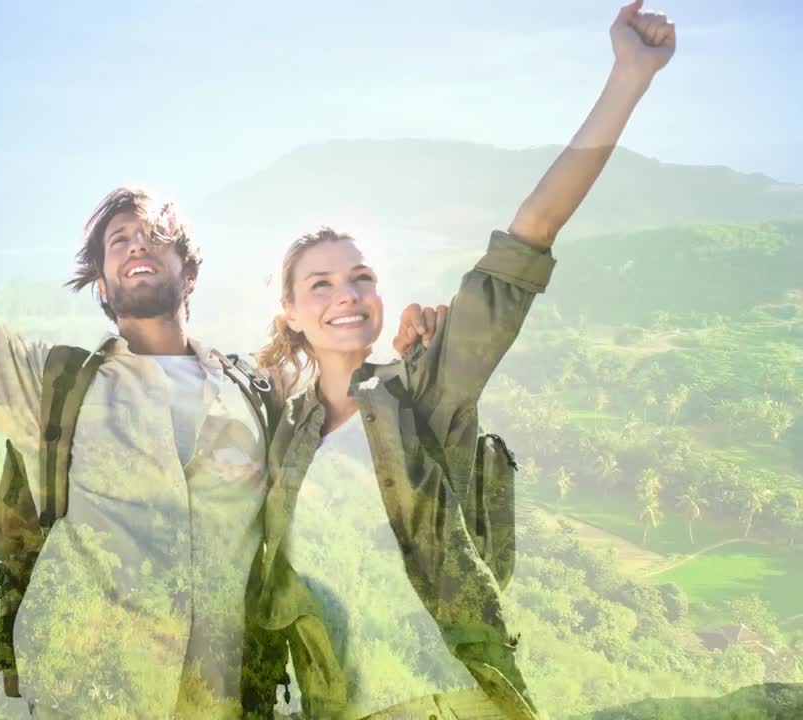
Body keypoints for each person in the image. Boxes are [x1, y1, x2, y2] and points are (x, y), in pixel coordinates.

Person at [0, 59, 440, 718]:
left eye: (155, 236)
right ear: (101, 285)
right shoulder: (57, 388)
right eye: (119, 239)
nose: (137, 243)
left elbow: (340, 391)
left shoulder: (252, 393)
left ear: (188, 273)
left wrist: (413, 349)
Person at [250, 3, 677, 719]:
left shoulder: (422, 394)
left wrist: (628, 78)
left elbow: (526, 239)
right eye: (319, 284)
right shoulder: (279, 434)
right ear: (290, 313)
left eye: (361, 277)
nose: (346, 295)